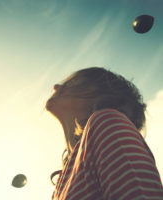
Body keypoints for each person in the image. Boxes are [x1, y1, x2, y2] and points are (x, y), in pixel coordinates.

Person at [46, 67, 163, 200]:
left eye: (71, 83)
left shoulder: (108, 121)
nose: (56, 87)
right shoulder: (63, 179)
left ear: (96, 90)